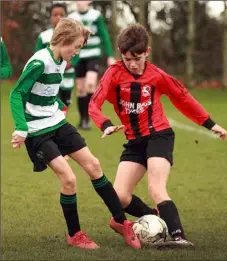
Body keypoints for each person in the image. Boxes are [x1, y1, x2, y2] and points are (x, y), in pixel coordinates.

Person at [89, 23, 227, 249]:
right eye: (127, 59)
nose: (132, 64)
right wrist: (104, 124)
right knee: (119, 196)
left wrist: (210, 123)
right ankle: (155, 218)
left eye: (138, 58)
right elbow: (94, 103)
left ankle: (179, 237)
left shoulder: (157, 76)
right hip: (134, 141)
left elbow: (183, 98)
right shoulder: (113, 73)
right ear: (120, 55)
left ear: (147, 52)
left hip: (159, 136)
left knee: (156, 187)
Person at [9, 18, 141, 250]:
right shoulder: (40, 62)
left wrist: (57, 103)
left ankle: (121, 221)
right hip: (37, 131)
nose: (78, 52)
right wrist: (21, 128)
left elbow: (45, 91)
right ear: (63, 40)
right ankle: (75, 234)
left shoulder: (61, 59)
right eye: (77, 46)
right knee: (69, 179)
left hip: (57, 123)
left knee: (94, 166)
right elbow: (17, 94)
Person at [68, 1, 116, 129]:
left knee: (90, 85)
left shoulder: (95, 15)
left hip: (93, 54)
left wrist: (110, 55)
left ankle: (89, 119)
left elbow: (104, 35)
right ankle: (83, 118)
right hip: (78, 56)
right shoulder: (72, 17)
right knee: (80, 90)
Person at [35, 3, 80, 115]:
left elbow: (77, 55)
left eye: (61, 15)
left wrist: (65, 65)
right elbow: (38, 56)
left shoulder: (73, 36)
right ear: (50, 17)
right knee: (52, 109)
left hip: (67, 79)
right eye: (55, 15)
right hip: (50, 80)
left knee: (63, 110)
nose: (58, 17)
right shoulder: (44, 36)